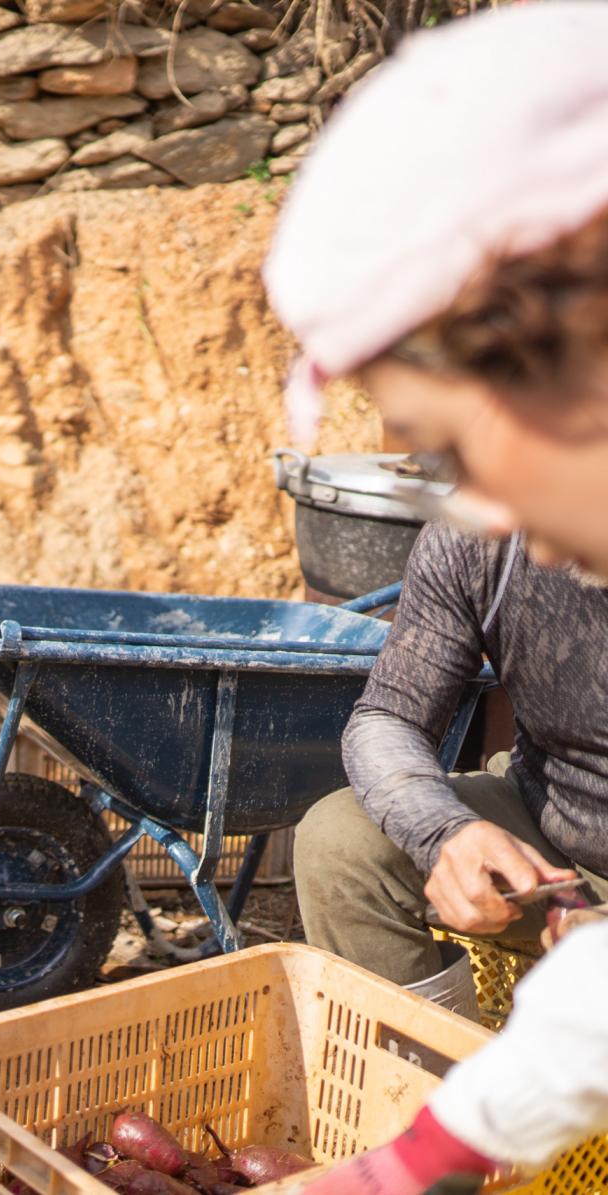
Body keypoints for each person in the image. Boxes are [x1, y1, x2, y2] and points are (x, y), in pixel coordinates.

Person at [264, 5, 608, 1188]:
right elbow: (385, 716)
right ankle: (441, 1070)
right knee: (346, 839)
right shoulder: (489, 539)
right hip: (560, 857)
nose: (481, 508)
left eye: (455, 447)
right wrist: (449, 829)